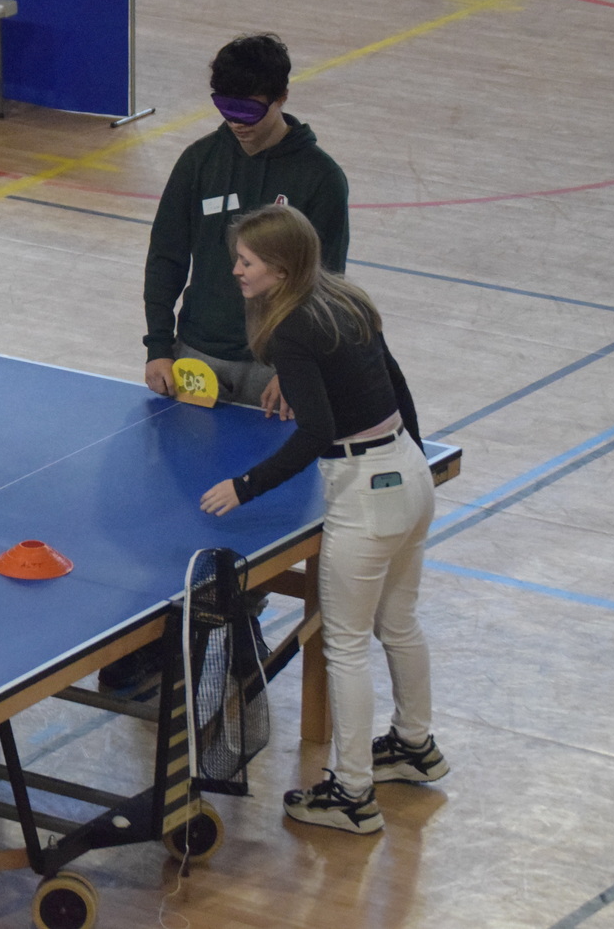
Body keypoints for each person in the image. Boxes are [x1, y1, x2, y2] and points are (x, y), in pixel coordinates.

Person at [200, 203, 447, 835]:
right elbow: (394, 383)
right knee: (399, 624)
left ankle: (353, 795)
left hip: (365, 497)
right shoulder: (346, 298)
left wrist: (245, 486)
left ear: (281, 270)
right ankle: (415, 745)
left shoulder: (290, 330)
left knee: (345, 646)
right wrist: (417, 461)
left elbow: (317, 431)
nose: (237, 270)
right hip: (409, 473)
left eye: (247, 262)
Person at [143, 32, 349, 412]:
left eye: (249, 111)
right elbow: (165, 256)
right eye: (226, 107)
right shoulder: (199, 161)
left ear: (281, 97)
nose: (237, 122)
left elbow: (327, 283)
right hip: (197, 355)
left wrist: (299, 366)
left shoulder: (321, 178)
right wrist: (158, 345)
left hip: (275, 367)